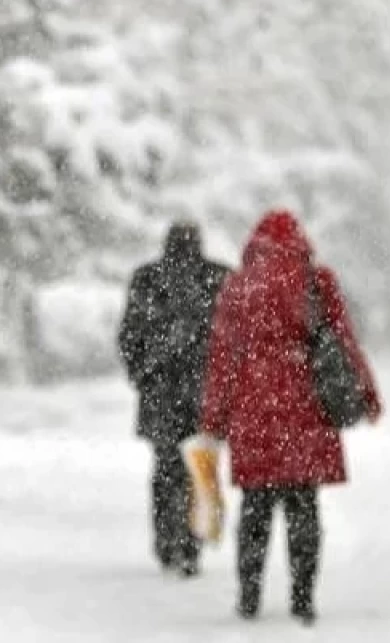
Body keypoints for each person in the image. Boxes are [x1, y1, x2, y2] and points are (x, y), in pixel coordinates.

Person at [200, 210, 381, 625]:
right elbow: (344, 342)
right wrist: (366, 395)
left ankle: (249, 596)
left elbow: (223, 358)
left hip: (254, 411)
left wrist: (214, 418)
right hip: (306, 410)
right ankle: (302, 598)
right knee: (304, 506)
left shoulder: (239, 286)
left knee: (255, 508)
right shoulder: (318, 282)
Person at [118, 221, 229, 577]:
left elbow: (129, 336)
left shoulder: (147, 279)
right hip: (205, 394)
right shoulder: (219, 278)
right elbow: (236, 340)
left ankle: (167, 541)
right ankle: (192, 543)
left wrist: (143, 374)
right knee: (200, 467)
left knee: (166, 469)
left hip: (161, 393)